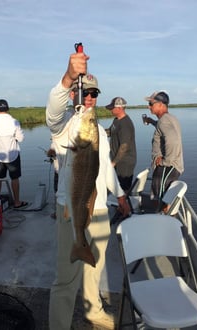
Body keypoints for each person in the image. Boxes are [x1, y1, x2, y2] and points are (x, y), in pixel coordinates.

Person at [46, 51, 131, 329]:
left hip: (99, 207)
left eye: (93, 93)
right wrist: (69, 77)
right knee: (66, 276)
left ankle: (93, 310)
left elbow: (104, 165)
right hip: (70, 207)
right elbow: (53, 111)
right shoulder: (63, 128)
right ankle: (58, 324)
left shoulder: (97, 129)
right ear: (74, 95)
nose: (89, 98)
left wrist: (118, 193)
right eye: (84, 92)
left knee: (95, 265)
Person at [145, 91, 184, 209]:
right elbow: (162, 128)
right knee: (162, 198)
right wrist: (152, 121)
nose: (149, 106)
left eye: (151, 104)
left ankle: (160, 222)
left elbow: (173, 141)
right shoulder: (169, 118)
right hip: (171, 166)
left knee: (160, 200)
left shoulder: (164, 121)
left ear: (161, 104)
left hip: (167, 167)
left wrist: (164, 162)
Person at [0, 99, 28, 209]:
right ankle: (17, 202)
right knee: (15, 178)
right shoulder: (14, 121)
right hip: (13, 155)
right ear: (8, 108)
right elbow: (21, 138)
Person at [105, 97, 137, 193]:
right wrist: (98, 132)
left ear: (119, 108)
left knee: (123, 189)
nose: (110, 110)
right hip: (117, 161)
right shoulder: (117, 120)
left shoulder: (125, 124)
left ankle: (125, 206)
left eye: (112, 108)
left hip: (125, 162)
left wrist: (113, 163)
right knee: (115, 186)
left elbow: (124, 146)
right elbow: (110, 132)